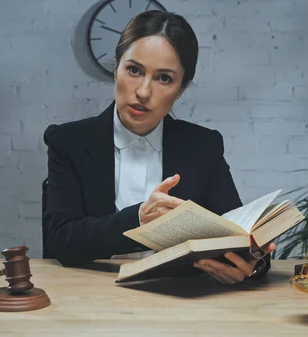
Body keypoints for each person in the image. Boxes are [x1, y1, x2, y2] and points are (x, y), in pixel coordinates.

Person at [43, 10, 275, 284]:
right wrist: (139, 219)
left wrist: (253, 263)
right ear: (116, 67)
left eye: (163, 78)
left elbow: (238, 233)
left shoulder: (203, 146)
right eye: (133, 70)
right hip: (90, 298)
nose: (143, 91)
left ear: (181, 88)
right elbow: (61, 242)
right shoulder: (68, 141)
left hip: (180, 303)